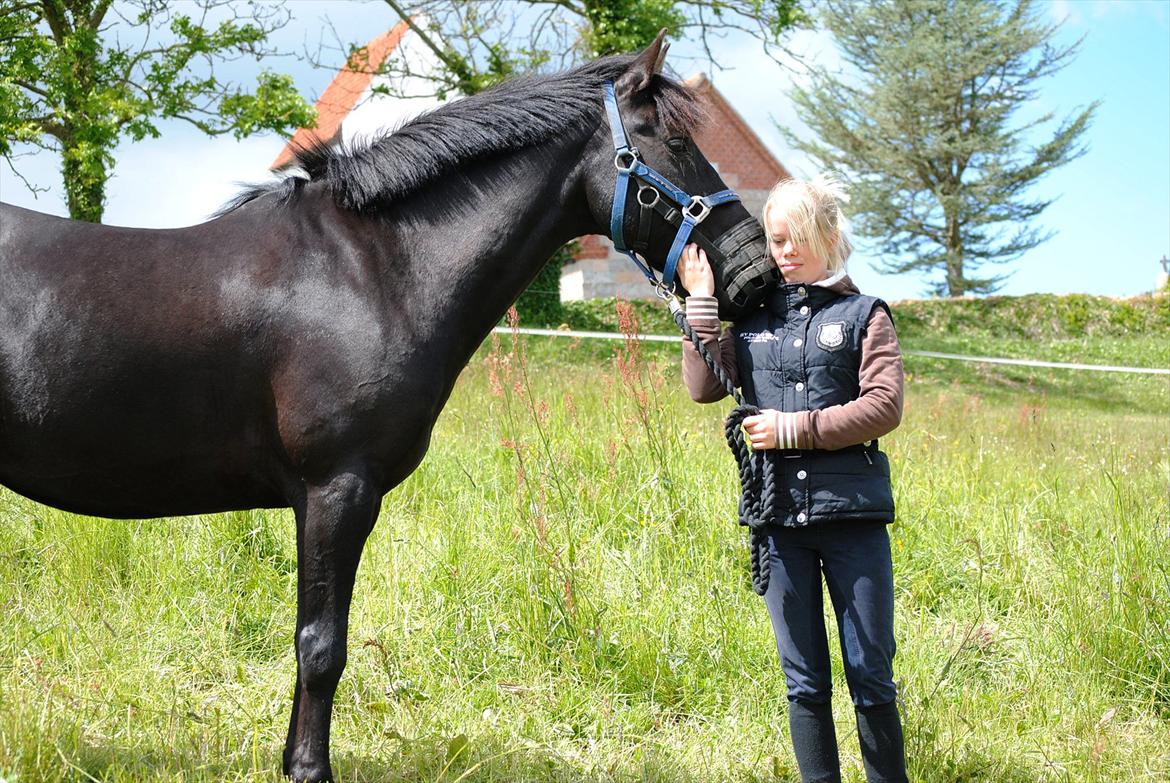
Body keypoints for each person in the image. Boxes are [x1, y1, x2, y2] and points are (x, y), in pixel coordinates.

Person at [677, 176, 909, 783]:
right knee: (803, 680)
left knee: (870, 672)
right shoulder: (749, 320)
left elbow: (883, 406)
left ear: (829, 237)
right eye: (775, 240)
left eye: (796, 238)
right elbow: (703, 387)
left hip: (852, 521)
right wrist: (702, 298)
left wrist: (792, 429)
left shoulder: (866, 316)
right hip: (777, 521)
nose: (783, 251)